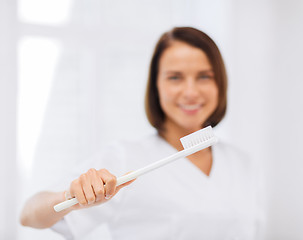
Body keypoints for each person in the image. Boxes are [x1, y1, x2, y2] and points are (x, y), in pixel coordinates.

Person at [20, 27, 261, 239]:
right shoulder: (124, 159)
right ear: (156, 85)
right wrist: (70, 195)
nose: (191, 91)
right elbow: (28, 215)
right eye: (175, 77)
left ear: (220, 83)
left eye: (204, 77)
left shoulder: (241, 163)